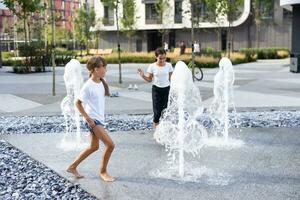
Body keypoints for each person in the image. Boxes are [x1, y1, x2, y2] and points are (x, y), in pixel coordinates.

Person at [66, 56, 115, 182]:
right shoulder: (88, 86)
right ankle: (103, 172)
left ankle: (72, 166)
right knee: (110, 145)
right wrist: (87, 118)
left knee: (93, 147)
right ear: (94, 69)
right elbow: (77, 103)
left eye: (105, 66)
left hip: (98, 119)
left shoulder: (102, 82)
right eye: (102, 67)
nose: (105, 69)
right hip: (93, 120)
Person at [137, 48, 173, 128]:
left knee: (165, 111)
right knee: (157, 112)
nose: (162, 60)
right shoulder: (152, 66)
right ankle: (156, 130)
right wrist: (143, 75)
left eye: (164, 58)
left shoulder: (169, 65)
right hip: (156, 90)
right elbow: (149, 79)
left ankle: (163, 130)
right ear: (156, 57)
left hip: (167, 89)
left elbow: (171, 79)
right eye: (160, 58)